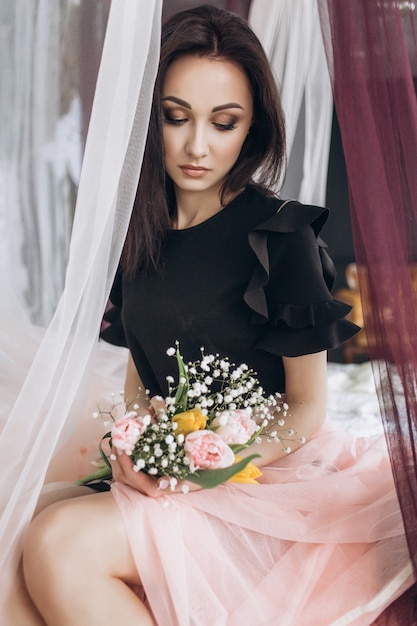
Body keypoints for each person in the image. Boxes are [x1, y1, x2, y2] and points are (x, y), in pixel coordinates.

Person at [8, 5, 414, 625]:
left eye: (224, 124)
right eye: (176, 118)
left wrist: (221, 465)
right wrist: (134, 450)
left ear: (251, 130)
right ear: (152, 121)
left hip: (264, 481)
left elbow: (306, 408)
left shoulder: (282, 236)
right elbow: (143, 381)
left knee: (56, 544)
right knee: (12, 534)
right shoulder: (134, 235)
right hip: (172, 471)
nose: (198, 146)